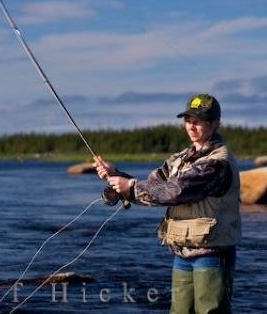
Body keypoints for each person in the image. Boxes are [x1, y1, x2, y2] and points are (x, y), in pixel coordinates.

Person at [93, 94, 241, 314]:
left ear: (216, 123)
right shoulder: (181, 157)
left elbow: (176, 191)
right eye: (188, 119)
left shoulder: (217, 162)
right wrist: (116, 176)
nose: (192, 125)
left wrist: (130, 187)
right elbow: (154, 185)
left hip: (211, 254)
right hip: (182, 253)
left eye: (198, 120)